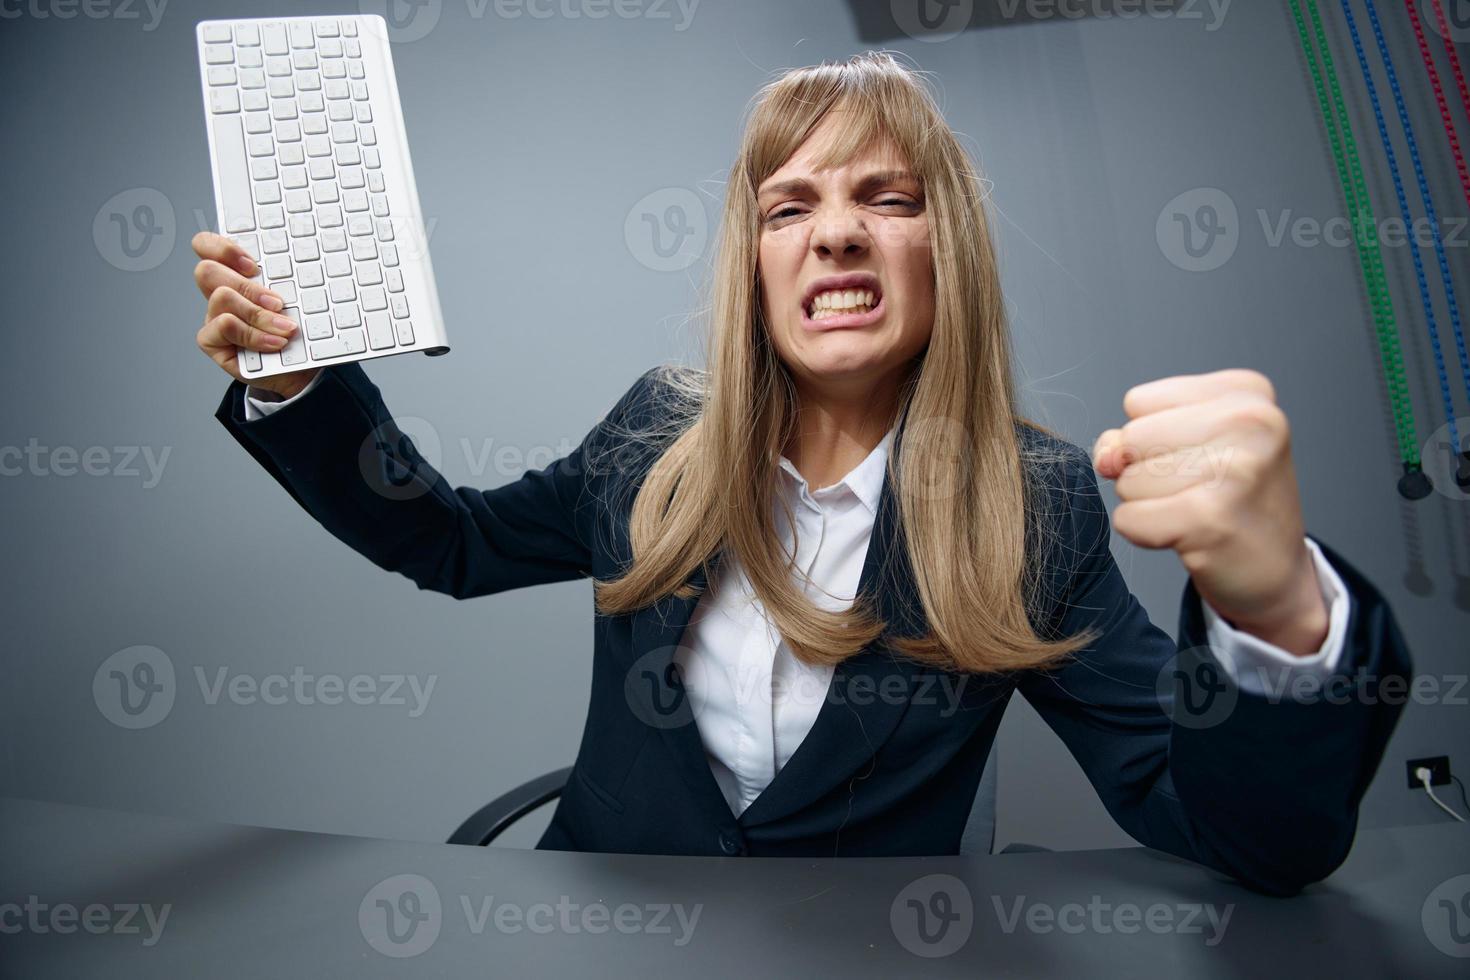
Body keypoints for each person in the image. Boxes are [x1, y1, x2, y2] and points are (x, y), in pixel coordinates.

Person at [190, 51, 1411, 896]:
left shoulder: (1035, 505)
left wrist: (1273, 616)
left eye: (888, 198)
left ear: (950, 258)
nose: (837, 231)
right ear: (757, 264)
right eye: (791, 207)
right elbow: (446, 541)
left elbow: (1235, 829)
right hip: (597, 934)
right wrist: (295, 381)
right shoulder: (651, 436)